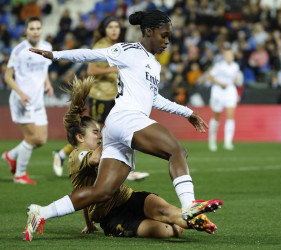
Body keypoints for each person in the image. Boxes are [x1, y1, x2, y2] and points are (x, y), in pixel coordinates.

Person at [25, 10, 222, 241]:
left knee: (102, 191)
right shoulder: (128, 51)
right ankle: (189, 206)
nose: (167, 41)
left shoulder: (154, 65)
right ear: (149, 31)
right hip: (127, 117)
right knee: (177, 151)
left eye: (169, 36)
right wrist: (55, 55)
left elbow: (154, 99)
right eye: (163, 35)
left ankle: (40, 212)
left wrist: (186, 112)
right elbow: (91, 54)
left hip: (120, 126)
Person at [25, 76, 217, 240]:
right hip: (111, 215)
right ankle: (184, 222)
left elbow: (84, 196)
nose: (100, 136)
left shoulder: (101, 151)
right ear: (80, 137)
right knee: (170, 230)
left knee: (169, 213)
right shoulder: (77, 156)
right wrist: (113, 134)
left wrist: (88, 224)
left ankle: (192, 216)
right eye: (95, 132)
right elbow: (92, 165)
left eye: (100, 132)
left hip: (128, 198)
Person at [52, 16, 149, 181]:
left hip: (114, 96)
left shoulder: (118, 46)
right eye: (110, 27)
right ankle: (64, 154)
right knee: (99, 134)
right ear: (105, 30)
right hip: (100, 96)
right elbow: (90, 70)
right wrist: (112, 70)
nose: (114, 30)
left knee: (112, 132)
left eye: (116, 27)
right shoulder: (101, 46)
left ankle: (64, 155)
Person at [1, 17, 53, 184]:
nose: (35, 31)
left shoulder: (47, 47)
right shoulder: (19, 51)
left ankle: (11, 156)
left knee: (41, 140)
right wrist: (21, 93)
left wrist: (48, 83)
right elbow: (7, 77)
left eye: (38, 28)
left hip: (38, 101)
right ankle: (19, 174)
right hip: (22, 101)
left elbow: (44, 68)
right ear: (26, 31)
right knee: (31, 138)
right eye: (32, 28)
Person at [208, 49, 242, 151]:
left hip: (230, 90)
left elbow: (235, 78)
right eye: (227, 55)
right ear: (224, 56)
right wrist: (220, 83)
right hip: (218, 91)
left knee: (230, 116)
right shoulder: (219, 66)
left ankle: (228, 142)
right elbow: (210, 77)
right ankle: (212, 140)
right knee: (216, 116)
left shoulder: (236, 66)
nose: (229, 57)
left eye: (231, 55)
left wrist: (235, 81)